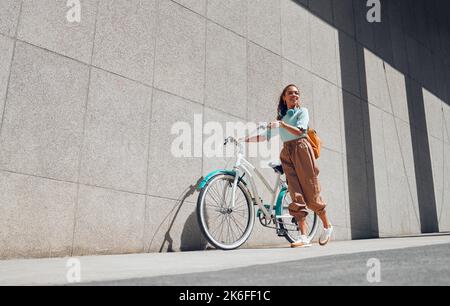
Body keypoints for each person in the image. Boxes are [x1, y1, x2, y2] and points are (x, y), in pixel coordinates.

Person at [245, 84, 333, 248]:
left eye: (297, 93)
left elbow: (300, 131)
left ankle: (327, 226)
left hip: (302, 149)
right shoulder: (281, 119)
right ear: (284, 97)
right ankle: (303, 236)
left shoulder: (302, 112)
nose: (294, 95)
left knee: (311, 192)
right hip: (287, 153)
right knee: (295, 194)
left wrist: (281, 125)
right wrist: (244, 140)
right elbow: (265, 137)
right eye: (290, 93)